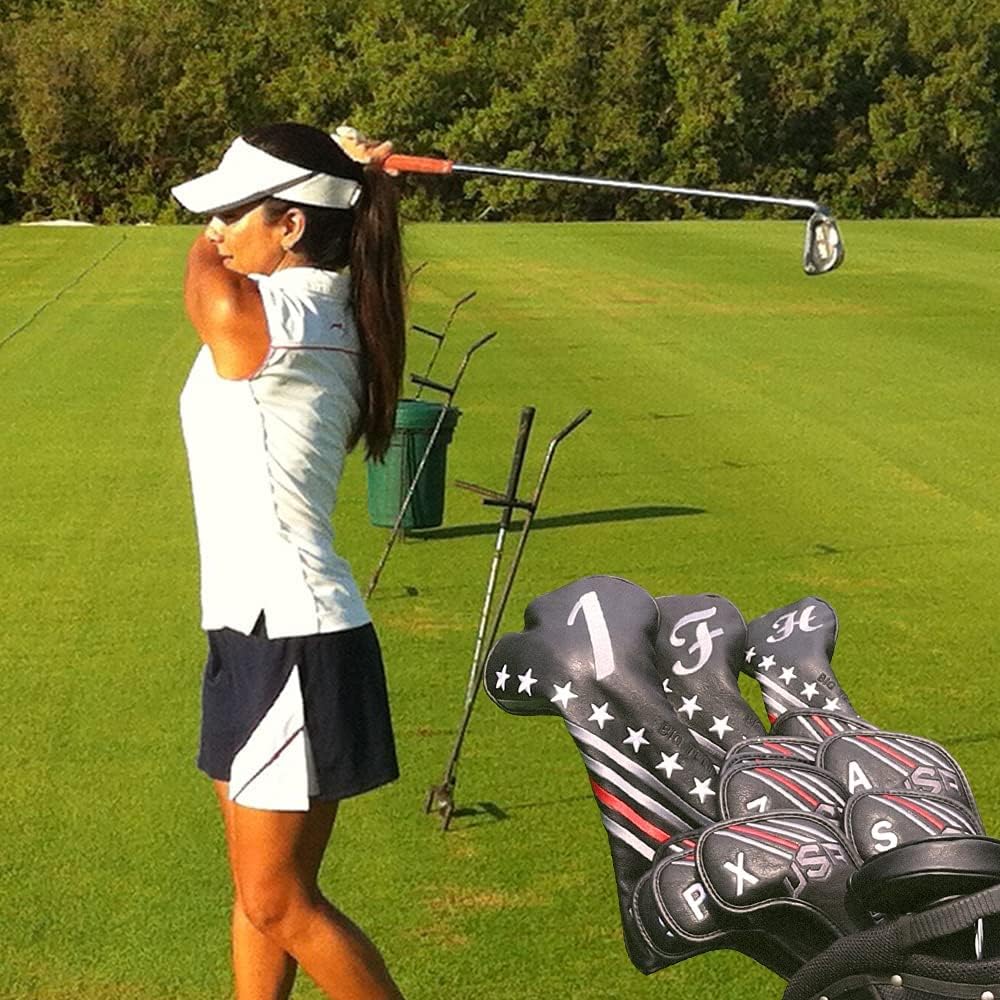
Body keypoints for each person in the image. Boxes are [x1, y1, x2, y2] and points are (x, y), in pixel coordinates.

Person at [171, 123, 406, 1000]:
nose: (218, 230)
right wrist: (340, 171)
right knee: (262, 895)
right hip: (254, 629)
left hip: (292, 636)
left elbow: (214, 301)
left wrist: (209, 240)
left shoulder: (295, 314)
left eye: (234, 212)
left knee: (279, 903)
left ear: (293, 225)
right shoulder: (306, 305)